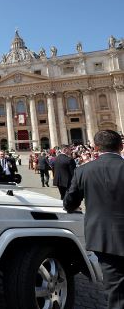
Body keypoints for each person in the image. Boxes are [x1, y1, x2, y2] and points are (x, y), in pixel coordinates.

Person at [63, 130, 124, 309]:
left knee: (116, 290)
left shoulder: (83, 170)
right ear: (121, 146)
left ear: (95, 148)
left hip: (104, 239)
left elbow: (70, 203)